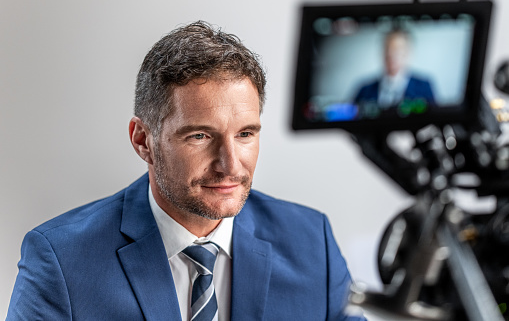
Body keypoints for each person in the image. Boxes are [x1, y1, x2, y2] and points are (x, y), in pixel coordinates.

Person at [7, 21, 365, 320]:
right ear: (143, 140)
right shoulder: (61, 259)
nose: (229, 164)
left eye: (245, 134)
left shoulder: (311, 242)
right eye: (199, 135)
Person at [354, 29, 435, 115]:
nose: (390, 54)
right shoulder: (365, 90)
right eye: (387, 48)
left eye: (396, 49)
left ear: (407, 53)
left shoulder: (423, 88)